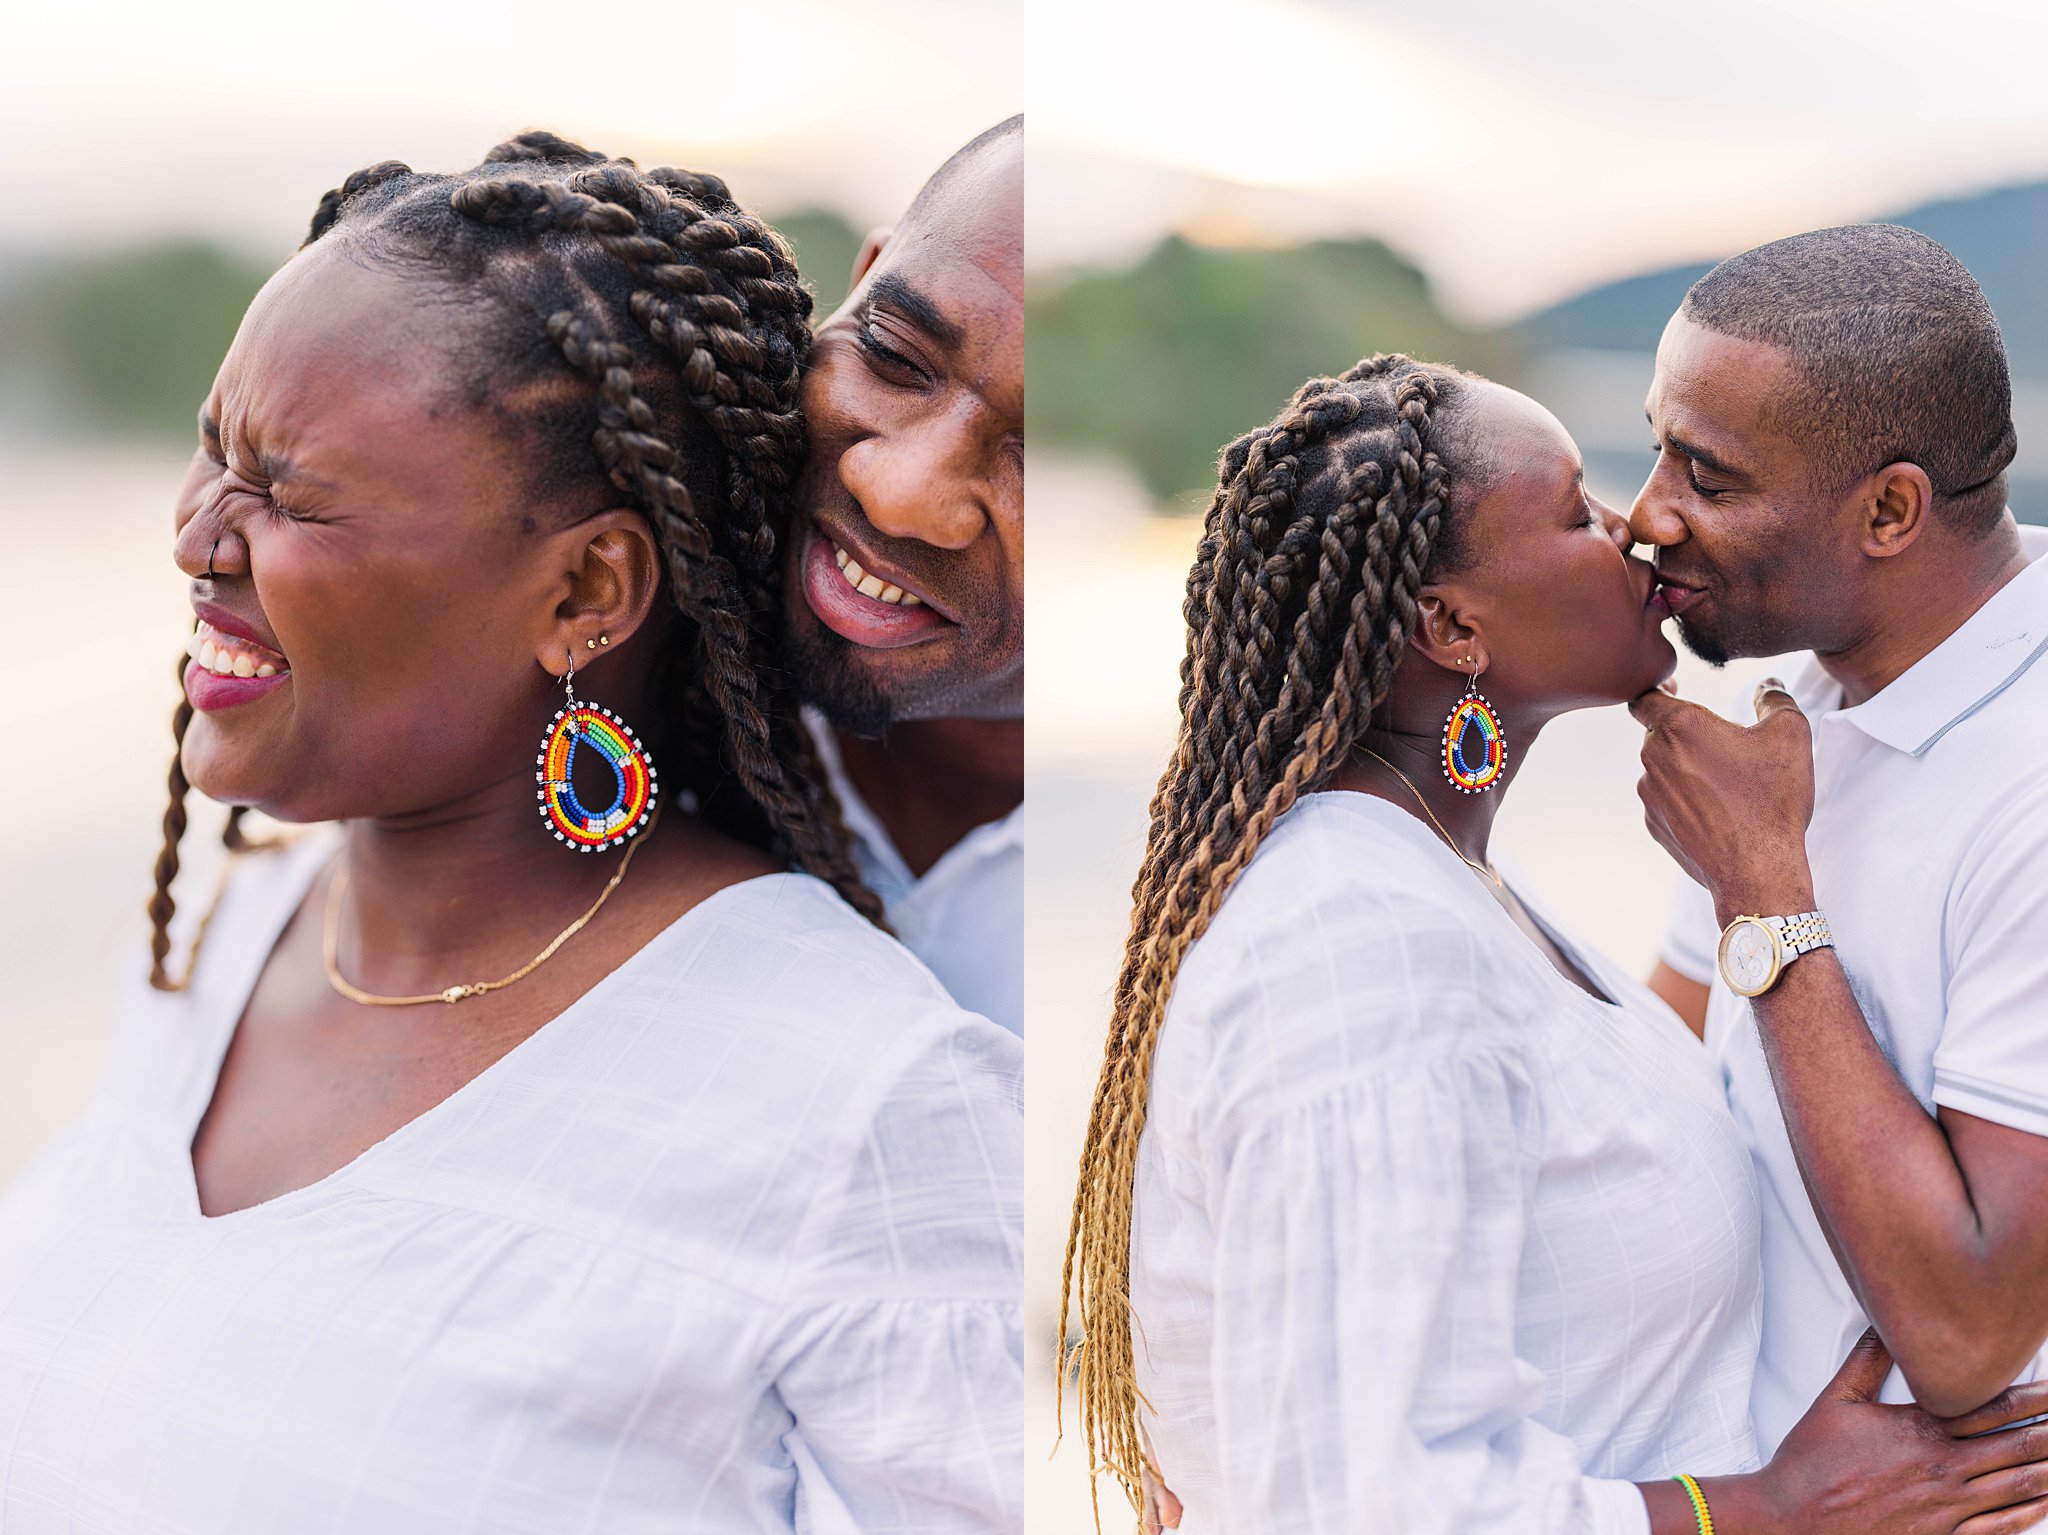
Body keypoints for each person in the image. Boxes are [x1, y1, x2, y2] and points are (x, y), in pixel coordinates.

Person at [0, 134, 1021, 1533]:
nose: (199, 535)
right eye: (212, 448)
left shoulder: (871, 1104)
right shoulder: (221, 932)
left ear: (588, 588)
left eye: (290, 493)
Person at [1060, 354, 2048, 1534]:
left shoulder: (1454, 884)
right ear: (1448, 620)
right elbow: (1358, 1506)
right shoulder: (1352, 936)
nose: (1634, 526)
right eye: (1576, 509)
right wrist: (1771, 1507)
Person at [1631, 226, 2048, 1461]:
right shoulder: (1805, 696)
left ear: (1887, 508)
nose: (1647, 513)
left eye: (1704, 476)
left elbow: (1968, 1329)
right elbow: (1649, 1080)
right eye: (1655, 444)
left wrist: (1761, 888)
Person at [784, 117, 1024, 1036]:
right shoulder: (595, 689)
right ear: (861, 281)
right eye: (892, 355)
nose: (897, 494)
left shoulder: (1254, 884)